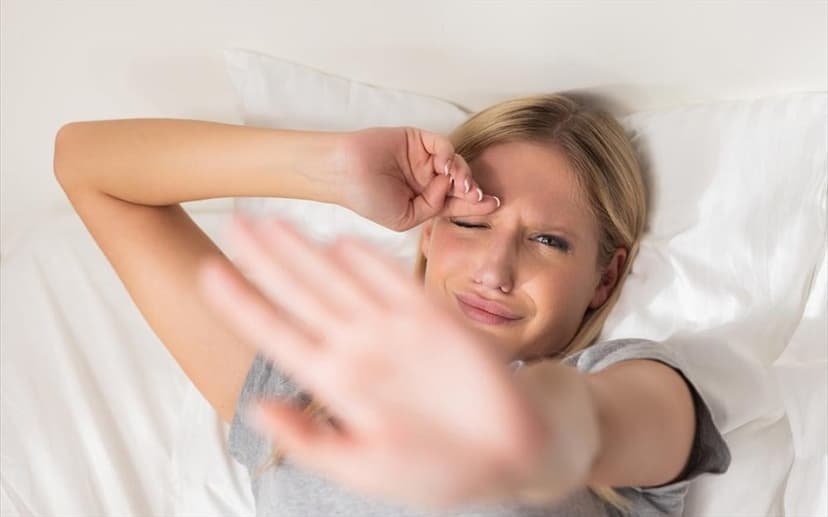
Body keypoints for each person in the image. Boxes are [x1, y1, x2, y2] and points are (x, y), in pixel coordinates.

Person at [53, 93, 730, 516]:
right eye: (471, 222)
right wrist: (328, 168)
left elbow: (593, 423)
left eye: (548, 241)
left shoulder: (627, 380)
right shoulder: (309, 385)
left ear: (605, 280)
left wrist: (518, 433)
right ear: (429, 232)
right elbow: (86, 166)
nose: (494, 270)